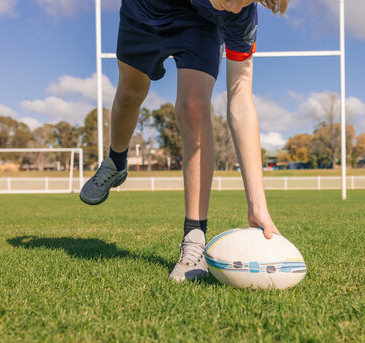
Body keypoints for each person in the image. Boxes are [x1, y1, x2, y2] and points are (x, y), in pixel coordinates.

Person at [80, 0, 289, 282]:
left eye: (247, 2)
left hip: (198, 25)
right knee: (130, 93)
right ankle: (116, 162)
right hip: (143, 11)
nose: (237, 9)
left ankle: (194, 241)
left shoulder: (240, 15)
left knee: (193, 107)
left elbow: (241, 104)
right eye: (234, 0)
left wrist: (258, 205)